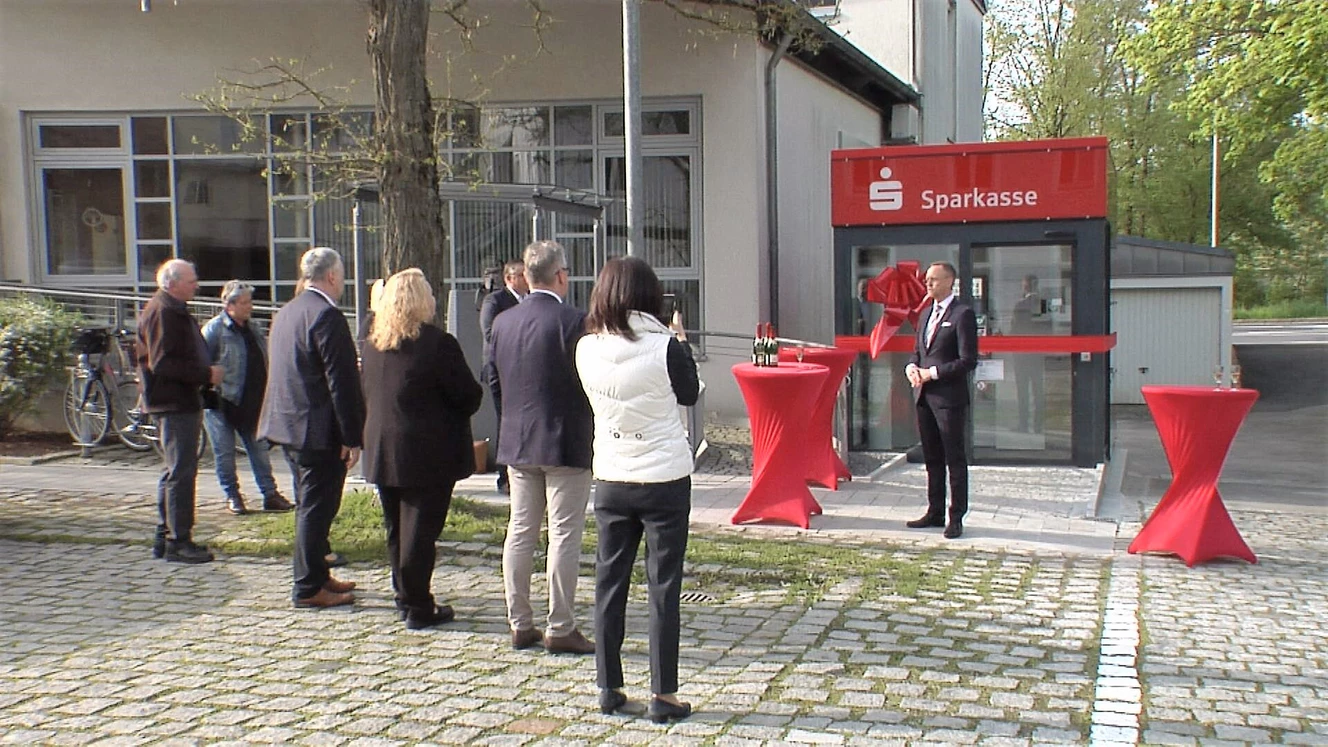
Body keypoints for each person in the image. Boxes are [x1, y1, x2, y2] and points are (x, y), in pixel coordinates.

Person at [576, 257, 699, 723]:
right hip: (663, 476)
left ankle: (608, 685)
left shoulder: (586, 347)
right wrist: (681, 341)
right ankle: (664, 693)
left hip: (612, 474)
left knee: (609, 582)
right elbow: (689, 393)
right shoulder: (664, 346)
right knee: (663, 586)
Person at [486, 240, 595, 655]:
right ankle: (560, 625)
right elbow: (590, 378)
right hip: (565, 439)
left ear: (527, 277)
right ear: (561, 275)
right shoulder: (575, 321)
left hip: (518, 438)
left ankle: (519, 622)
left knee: (520, 529)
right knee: (563, 534)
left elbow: (493, 377)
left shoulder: (503, 323)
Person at [361, 268, 483, 630]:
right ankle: (417, 605)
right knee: (419, 532)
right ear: (420, 301)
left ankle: (404, 595)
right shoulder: (437, 343)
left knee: (397, 529)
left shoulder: (373, 343)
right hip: (425, 452)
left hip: (383, 446)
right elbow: (467, 396)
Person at [259, 247, 365, 608]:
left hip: (290, 425)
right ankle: (307, 587)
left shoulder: (287, 312)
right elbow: (341, 381)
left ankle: (318, 574)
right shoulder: (326, 316)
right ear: (332, 276)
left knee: (310, 504)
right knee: (316, 509)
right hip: (318, 430)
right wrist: (352, 435)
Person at [138, 259, 225, 564]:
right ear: (172, 283)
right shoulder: (164, 311)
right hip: (173, 401)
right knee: (181, 472)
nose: (196, 285)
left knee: (174, 470)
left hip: (178, 400)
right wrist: (205, 374)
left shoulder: (171, 309)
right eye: (191, 281)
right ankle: (178, 540)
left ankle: (166, 535)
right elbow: (162, 363)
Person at [200, 281, 294, 516]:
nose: (249, 307)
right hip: (222, 402)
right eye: (244, 303)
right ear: (229, 305)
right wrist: (209, 384)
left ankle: (270, 494)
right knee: (225, 453)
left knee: (259, 451)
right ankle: (233, 495)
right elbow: (201, 363)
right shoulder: (215, 330)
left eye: (249, 302)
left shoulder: (254, 329)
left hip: (252, 402)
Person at [904, 261, 978, 539]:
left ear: (949, 281)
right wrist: (911, 367)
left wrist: (932, 373)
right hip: (924, 397)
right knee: (932, 457)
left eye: (933, 280)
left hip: (949, 398)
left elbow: (968, 360)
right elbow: (918, 351)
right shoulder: (925, 314)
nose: (928, 284)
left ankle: (956, 516)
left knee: (953, 458)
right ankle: (934, 511)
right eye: (926, 280)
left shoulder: (962, 314)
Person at [478, 259, 528, 495]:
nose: (527, 279)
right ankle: (504, 476)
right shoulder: (495, 301)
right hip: (499, 370)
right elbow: (490, 333)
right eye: (522, 275)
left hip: (524, 371)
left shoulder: (529, 300)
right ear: (510, 278)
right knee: (505, 421)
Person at [1010, 274, 1046, 433]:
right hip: (1038, 355)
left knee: (1023, 390)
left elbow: (1015, 329)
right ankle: (1038, 426)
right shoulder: (1042, 304)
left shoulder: (1021, 305)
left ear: (1026, 286)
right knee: (1038, 390)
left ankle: (1023, 424)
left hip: (1022, 355)